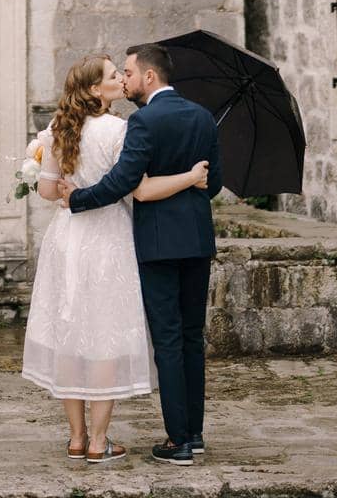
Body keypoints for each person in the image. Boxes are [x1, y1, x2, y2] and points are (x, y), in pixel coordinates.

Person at [22, 54, 209, 464]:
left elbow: (48, 194)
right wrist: (192, 177)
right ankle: (98, 441)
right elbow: (137, 190)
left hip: (67, 238)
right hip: (107, 238)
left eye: (121, 74)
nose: (121, 81)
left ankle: (75, 437)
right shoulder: (119, 129)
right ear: (95, 90)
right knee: (104, 334)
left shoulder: (57, 129)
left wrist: (64, 184)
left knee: (69, 333)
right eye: (113, 76)